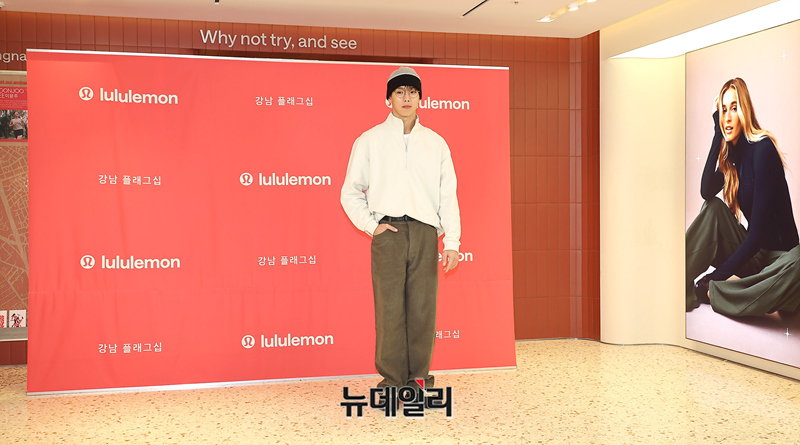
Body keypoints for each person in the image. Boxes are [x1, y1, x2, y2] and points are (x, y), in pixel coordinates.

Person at [340, 66, 461, 390]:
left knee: (423, 311)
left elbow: (448, 195)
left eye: (412, 92)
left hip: (425, 234)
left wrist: (452, 241)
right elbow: (350, 192)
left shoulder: (436, 143)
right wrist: (372, 225)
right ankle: (393, 382)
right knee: (389, 311)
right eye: (399, 92)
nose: (406, 98)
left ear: (421, 98)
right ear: (388, 99)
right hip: (388, 234)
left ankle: (418, 380)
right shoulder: (370, 140)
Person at [686, 77, 800, 316]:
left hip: (782, 263)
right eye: (723, 110)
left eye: (734, 108)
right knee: (713, 208)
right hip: (756, 260)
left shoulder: (763, 150)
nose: (727, 117)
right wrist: (717, 133)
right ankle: (675, 282)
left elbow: (757, 236)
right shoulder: (732, 159)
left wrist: (715, 278)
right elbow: (706, 191)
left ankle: (717, 293)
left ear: (744, 111)